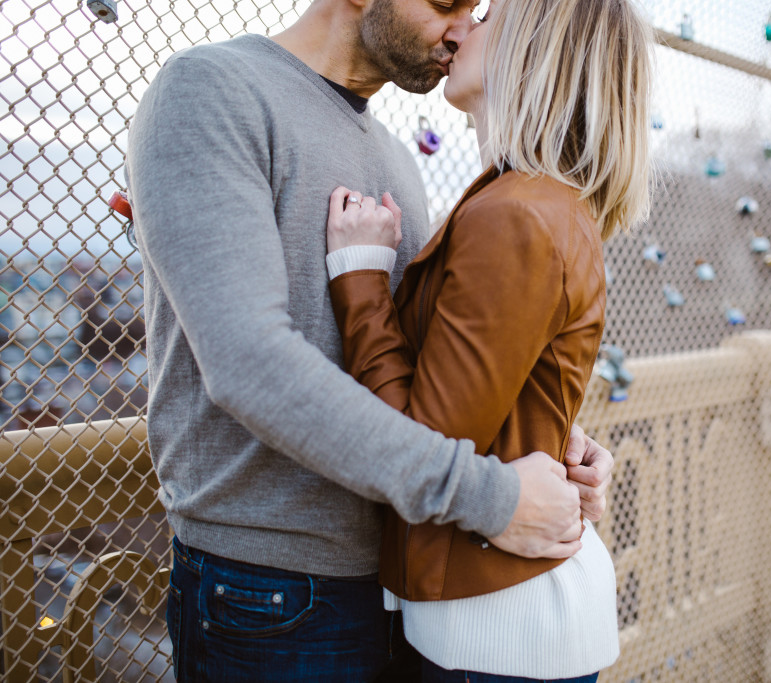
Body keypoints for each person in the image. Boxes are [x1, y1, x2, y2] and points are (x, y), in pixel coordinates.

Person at [124, 0, 614, 680]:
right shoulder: (212, 91)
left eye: (474, 11)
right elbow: (247, 361)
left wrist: (540, 435)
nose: (460, 28)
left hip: (409, 580)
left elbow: (430, 369)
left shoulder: (395, 159)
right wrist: (492, 494)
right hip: (269, 586)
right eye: (447, 4)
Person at [324, 0, 652, 680]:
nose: (462, 29)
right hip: (512, 607)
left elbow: (422, 443)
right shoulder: (541, 202)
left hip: (496, 620)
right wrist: (549, 431)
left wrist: (359, 282)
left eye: (488, 16)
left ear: (533, 52)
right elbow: (495, 386)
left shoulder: (516, 215)